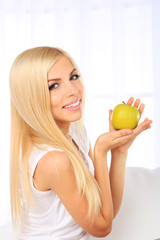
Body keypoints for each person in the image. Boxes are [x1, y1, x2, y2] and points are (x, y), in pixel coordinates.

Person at [9, 46, 152, 240]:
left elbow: (105, 213)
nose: (73, 90)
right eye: (53, 85)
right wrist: (100, 152)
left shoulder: (75, 132)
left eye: (73, 77)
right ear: (32, 97)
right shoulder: (53, 160)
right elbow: (102, 228)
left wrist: (119, 152)